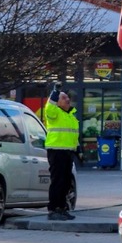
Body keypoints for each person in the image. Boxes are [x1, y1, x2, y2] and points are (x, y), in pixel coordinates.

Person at [42, 85, 80, 221]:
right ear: (56, 102)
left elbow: (73, 136)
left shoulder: (70, 116)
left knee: (65, 182)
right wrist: (55, 92)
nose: (67, 99)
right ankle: (53, 209)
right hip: (56, 151)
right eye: (63, 98)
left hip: (67, 152)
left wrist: (78, 150)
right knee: (58, 181)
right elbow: (49, 107)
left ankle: (62, 208)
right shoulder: (54, 113)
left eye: (68, 97)